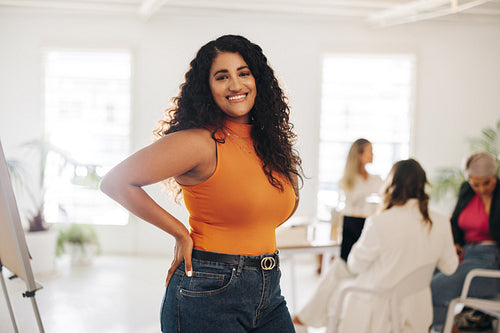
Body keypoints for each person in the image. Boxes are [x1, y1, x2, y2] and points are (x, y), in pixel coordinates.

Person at [100, 35, 303, 332]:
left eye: (243, 73)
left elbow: (280, 206)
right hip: (209, 289)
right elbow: (115, 182)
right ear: (207, 88)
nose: (235, 85)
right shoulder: (199, 142)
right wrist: (180, 232)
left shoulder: (270, 144)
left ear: (258, 80)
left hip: (269, 287)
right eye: (222, 77)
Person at [293, 159, 458, 332]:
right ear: (423, 185)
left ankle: (302, 319)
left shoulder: (380, 221)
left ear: (392, 185)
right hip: (418, 310)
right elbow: (450, 267)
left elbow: (355, 265)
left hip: (380, 307)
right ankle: (303, 318)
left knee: (339, 270)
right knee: (338, 270)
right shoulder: (440, 221)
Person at [431, 151, 500, 332]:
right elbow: (454, 223)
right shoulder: (466, 191)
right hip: (464, 253)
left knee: (434, 288)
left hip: (490, 261)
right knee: (424, 278)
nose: (482, 189)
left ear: (495, 174)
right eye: (475, 184)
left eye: (487, 182)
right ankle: (446, 327)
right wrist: (453, 244)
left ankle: (440, 327)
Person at [338, 138, 383, 260]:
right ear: (359, 154)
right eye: (370, 151)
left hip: (372, 224)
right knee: (349, 262)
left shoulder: (376, 180)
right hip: (353, 225)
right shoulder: (347, 181)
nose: (373, 154)